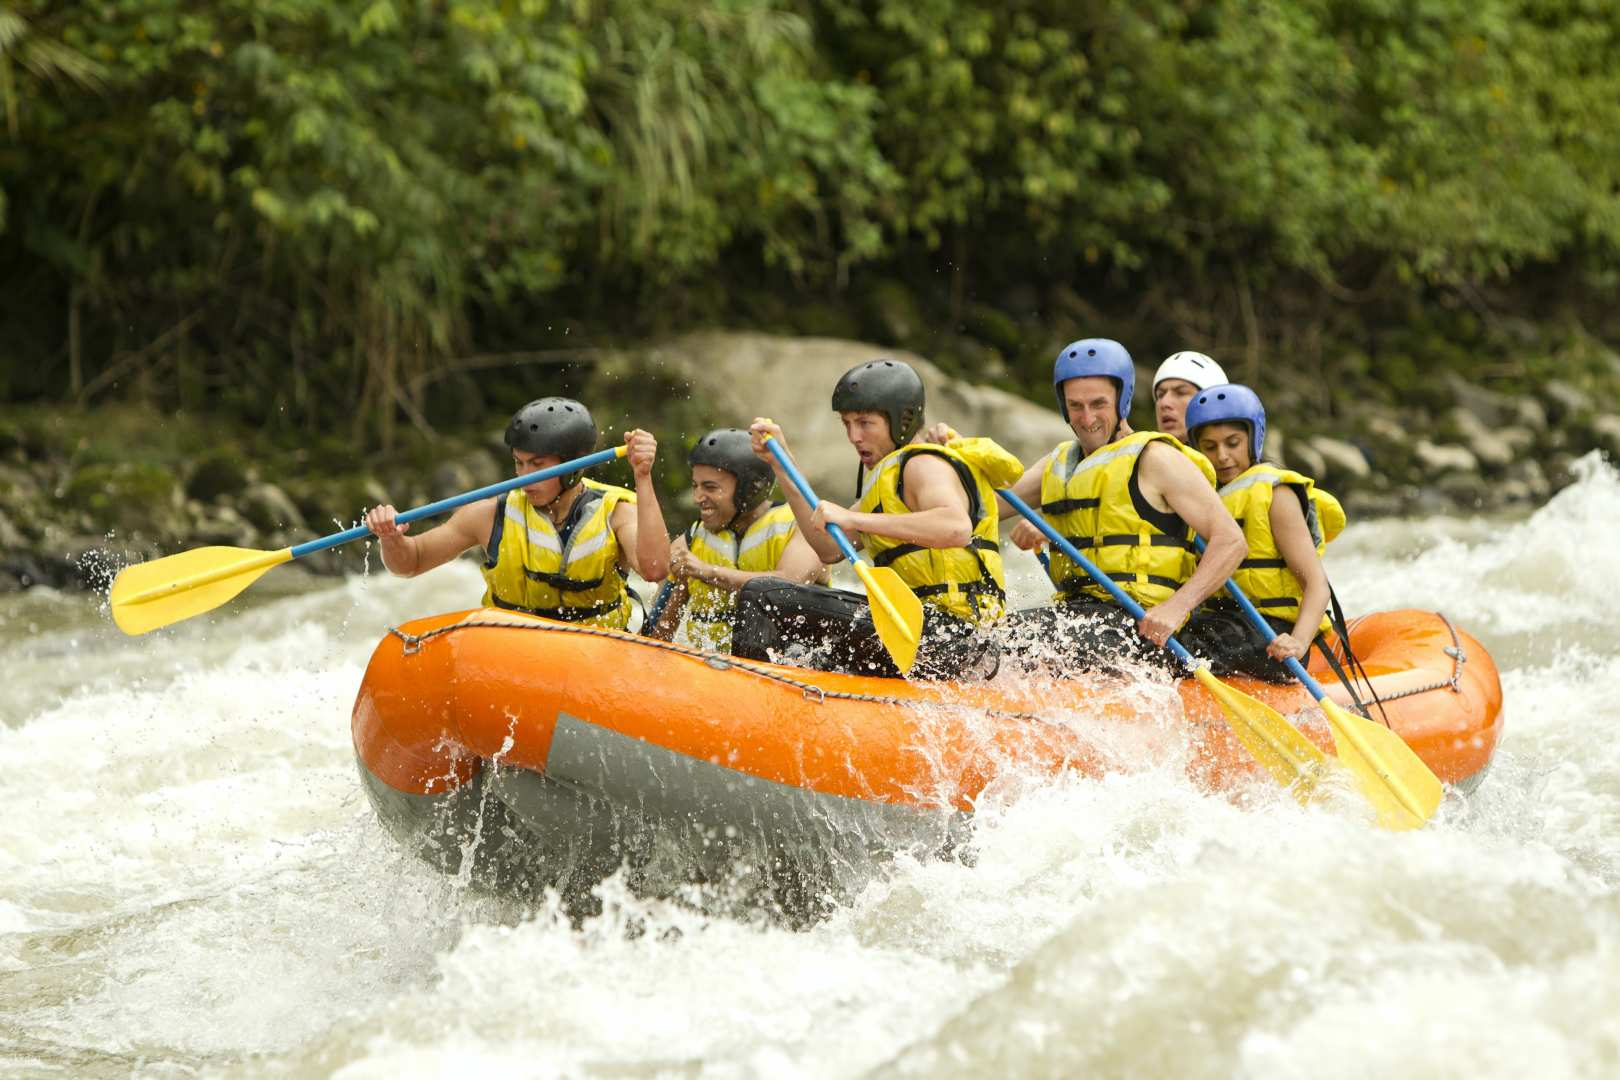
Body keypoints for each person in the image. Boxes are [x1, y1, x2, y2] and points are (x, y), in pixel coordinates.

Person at [735, 358, 1024, 678]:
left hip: (953, 636)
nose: (854, 436)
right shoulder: (886, 481)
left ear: (902, 421)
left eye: (864, 423)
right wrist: (782, 464)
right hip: (917, 628)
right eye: (846, 424)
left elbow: (954, 528)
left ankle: (753, 693)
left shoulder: (922, 464)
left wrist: (855, 519)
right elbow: (828, 547)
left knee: (763, 596)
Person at [997, 338, 1247, 673]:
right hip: (1077, 615)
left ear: (1123, 399)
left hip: (1141, 627)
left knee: (1016, 645)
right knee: (995, 636)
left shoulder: (1156, 458)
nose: (1087, 419)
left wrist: (1175, 608)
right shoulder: (1059, 462)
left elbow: (1231, 541)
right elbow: (987, 506)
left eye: (1099, 404)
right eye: (1075, 406)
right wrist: (949, 461)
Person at [362, 397, 669, 627]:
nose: (524, 477)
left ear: (573, 466)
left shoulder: (616, 513)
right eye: (519, 462)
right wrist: (391, 539)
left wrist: (642, 476)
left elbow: (655, 570)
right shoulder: (488, 515)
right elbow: (412, 562)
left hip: (595, 662)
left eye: (537, 465)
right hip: (513, 661)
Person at [1185, 383, 1347, 680]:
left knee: (1193, 643)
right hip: (1223, 623)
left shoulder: (1275, 495)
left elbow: (1316, 584)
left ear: (1253, 439)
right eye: (1210, 447)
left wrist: (1297, 642)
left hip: (1270, 632)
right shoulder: (1201, 499)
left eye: (1232, 443)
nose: (1221, 456)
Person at [645, 427, 828, 650]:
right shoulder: (690, 543)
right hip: (711, 671)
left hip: (787, 668)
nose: (697, 498)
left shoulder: (803, 526)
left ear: (750, 488)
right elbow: (658, 635)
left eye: (710, 487)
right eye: (695, 486)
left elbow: (790, 583)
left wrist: (706, 571)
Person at [1151, 350, 1228, 443]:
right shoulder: (1141, 455)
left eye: (1181, 392)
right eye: (1160, 395)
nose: (1164, 403)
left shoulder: (1234, 457)